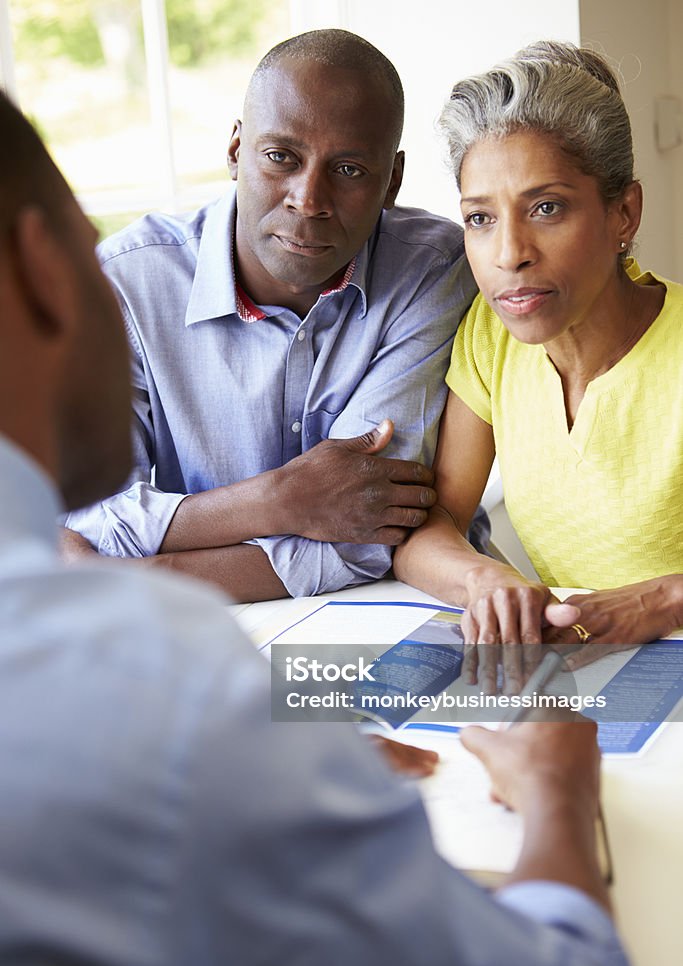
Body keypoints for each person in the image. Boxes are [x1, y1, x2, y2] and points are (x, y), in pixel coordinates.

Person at [0, 91, 645, 966]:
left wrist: (257, 754)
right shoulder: (158, 679)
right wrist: (553, 797)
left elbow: (372, 523)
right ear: (43, 273)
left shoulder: (434, 275)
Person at [61, 28, 487, 603]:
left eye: (351, 170)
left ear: (392, 181)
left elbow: (372, 534)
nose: (308, 199)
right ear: (237, 151)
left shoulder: (433, 271)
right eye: (281, 156)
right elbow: (88, 518)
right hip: (204, 636)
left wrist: (150, 578)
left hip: (407, 610)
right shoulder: (127, 285)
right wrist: (281, 497)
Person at [394, 41, 683, 648]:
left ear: (623, 214)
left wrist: (666, 600)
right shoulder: (491, 337)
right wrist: (485, 581)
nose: (509, 254)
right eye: (480, 218)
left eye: (546, 208)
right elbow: (436, 523)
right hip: (592, 676)